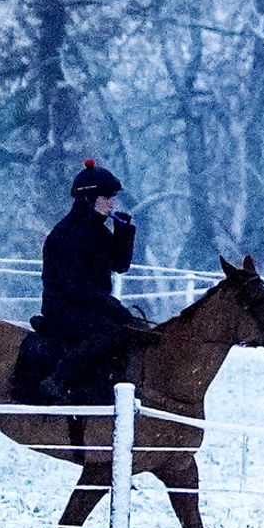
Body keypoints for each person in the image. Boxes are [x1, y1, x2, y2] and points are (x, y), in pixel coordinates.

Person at [26, 159, 153, 406]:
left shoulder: (99, 232)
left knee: (133, 330)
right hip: (64, 309)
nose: (112, 203)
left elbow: (120, 266)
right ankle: (58, 380)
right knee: (108, 334)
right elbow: (76, 286)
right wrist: (112, 306)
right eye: (106, 198)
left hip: (92, 306)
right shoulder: (65, 235)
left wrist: (124, 234)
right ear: (89, 199)